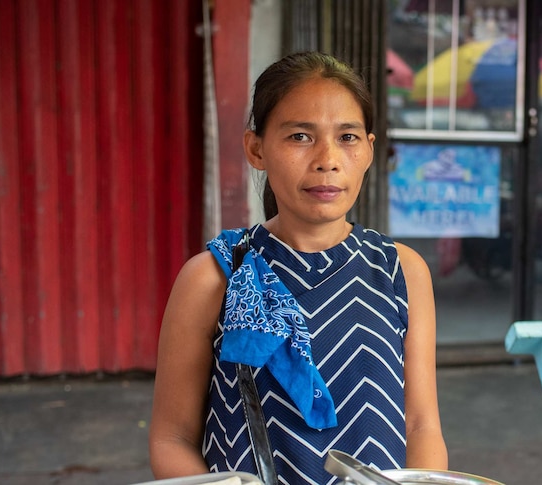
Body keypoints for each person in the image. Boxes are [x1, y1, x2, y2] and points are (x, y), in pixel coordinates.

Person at [149, 51, 448, 483]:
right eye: (300, 137)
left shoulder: (401, 271)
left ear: (369, 149)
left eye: (347, 137)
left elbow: (421, 425)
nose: (327, 158)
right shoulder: (215, 277)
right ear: (256, 149)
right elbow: (171, 438)